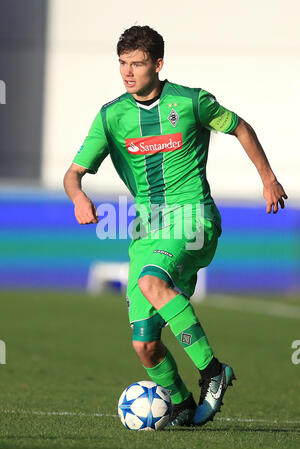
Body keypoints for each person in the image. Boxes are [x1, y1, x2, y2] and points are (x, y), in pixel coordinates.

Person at [63, 25, 288, 426]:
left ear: (158, 64)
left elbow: (240, 126)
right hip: (146, 228)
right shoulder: (112, 116)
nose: (128, 72)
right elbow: (73, 173)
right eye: (122, 63)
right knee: (144, 344)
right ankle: (182, 405)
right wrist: (79, 196)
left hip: (193, 216)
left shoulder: (190, 101)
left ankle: (213, 371)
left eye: (137, 63)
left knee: (152, 282)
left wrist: (267, 177)